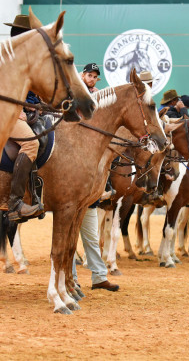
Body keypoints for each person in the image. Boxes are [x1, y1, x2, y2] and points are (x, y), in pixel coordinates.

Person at [72, 72, 120, 292]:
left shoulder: (97, 96)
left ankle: (99, 276)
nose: (92, 79)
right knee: (69, 238)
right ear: (83, 75)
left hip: (89, 200)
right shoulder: (76, 91)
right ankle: (70, 278)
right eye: (89, 75)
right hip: (73, 197)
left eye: (94, 77)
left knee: (91, 238)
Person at [5, 14, 44, 222]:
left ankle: (36, 193)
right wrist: (16, 108)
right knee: (31, 144)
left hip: (15, 109)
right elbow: (5, 88)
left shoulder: (16, 56)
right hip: (4, 112)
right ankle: (15, 203)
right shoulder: (11, 57)